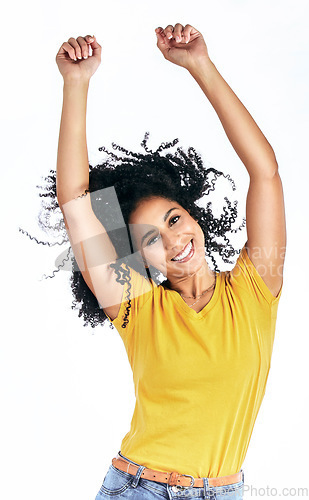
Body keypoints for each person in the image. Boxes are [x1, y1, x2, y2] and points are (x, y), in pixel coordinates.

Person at [22, 23, 286, 500]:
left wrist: (199, 65)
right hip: (139, 489)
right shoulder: (137, 305)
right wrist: (76, 83)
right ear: (138, 258)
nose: (173, 239)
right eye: (150, 239)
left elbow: (264, 171)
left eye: (174, 219)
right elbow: (78, 199)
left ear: (193, 213)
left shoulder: (254, 288)